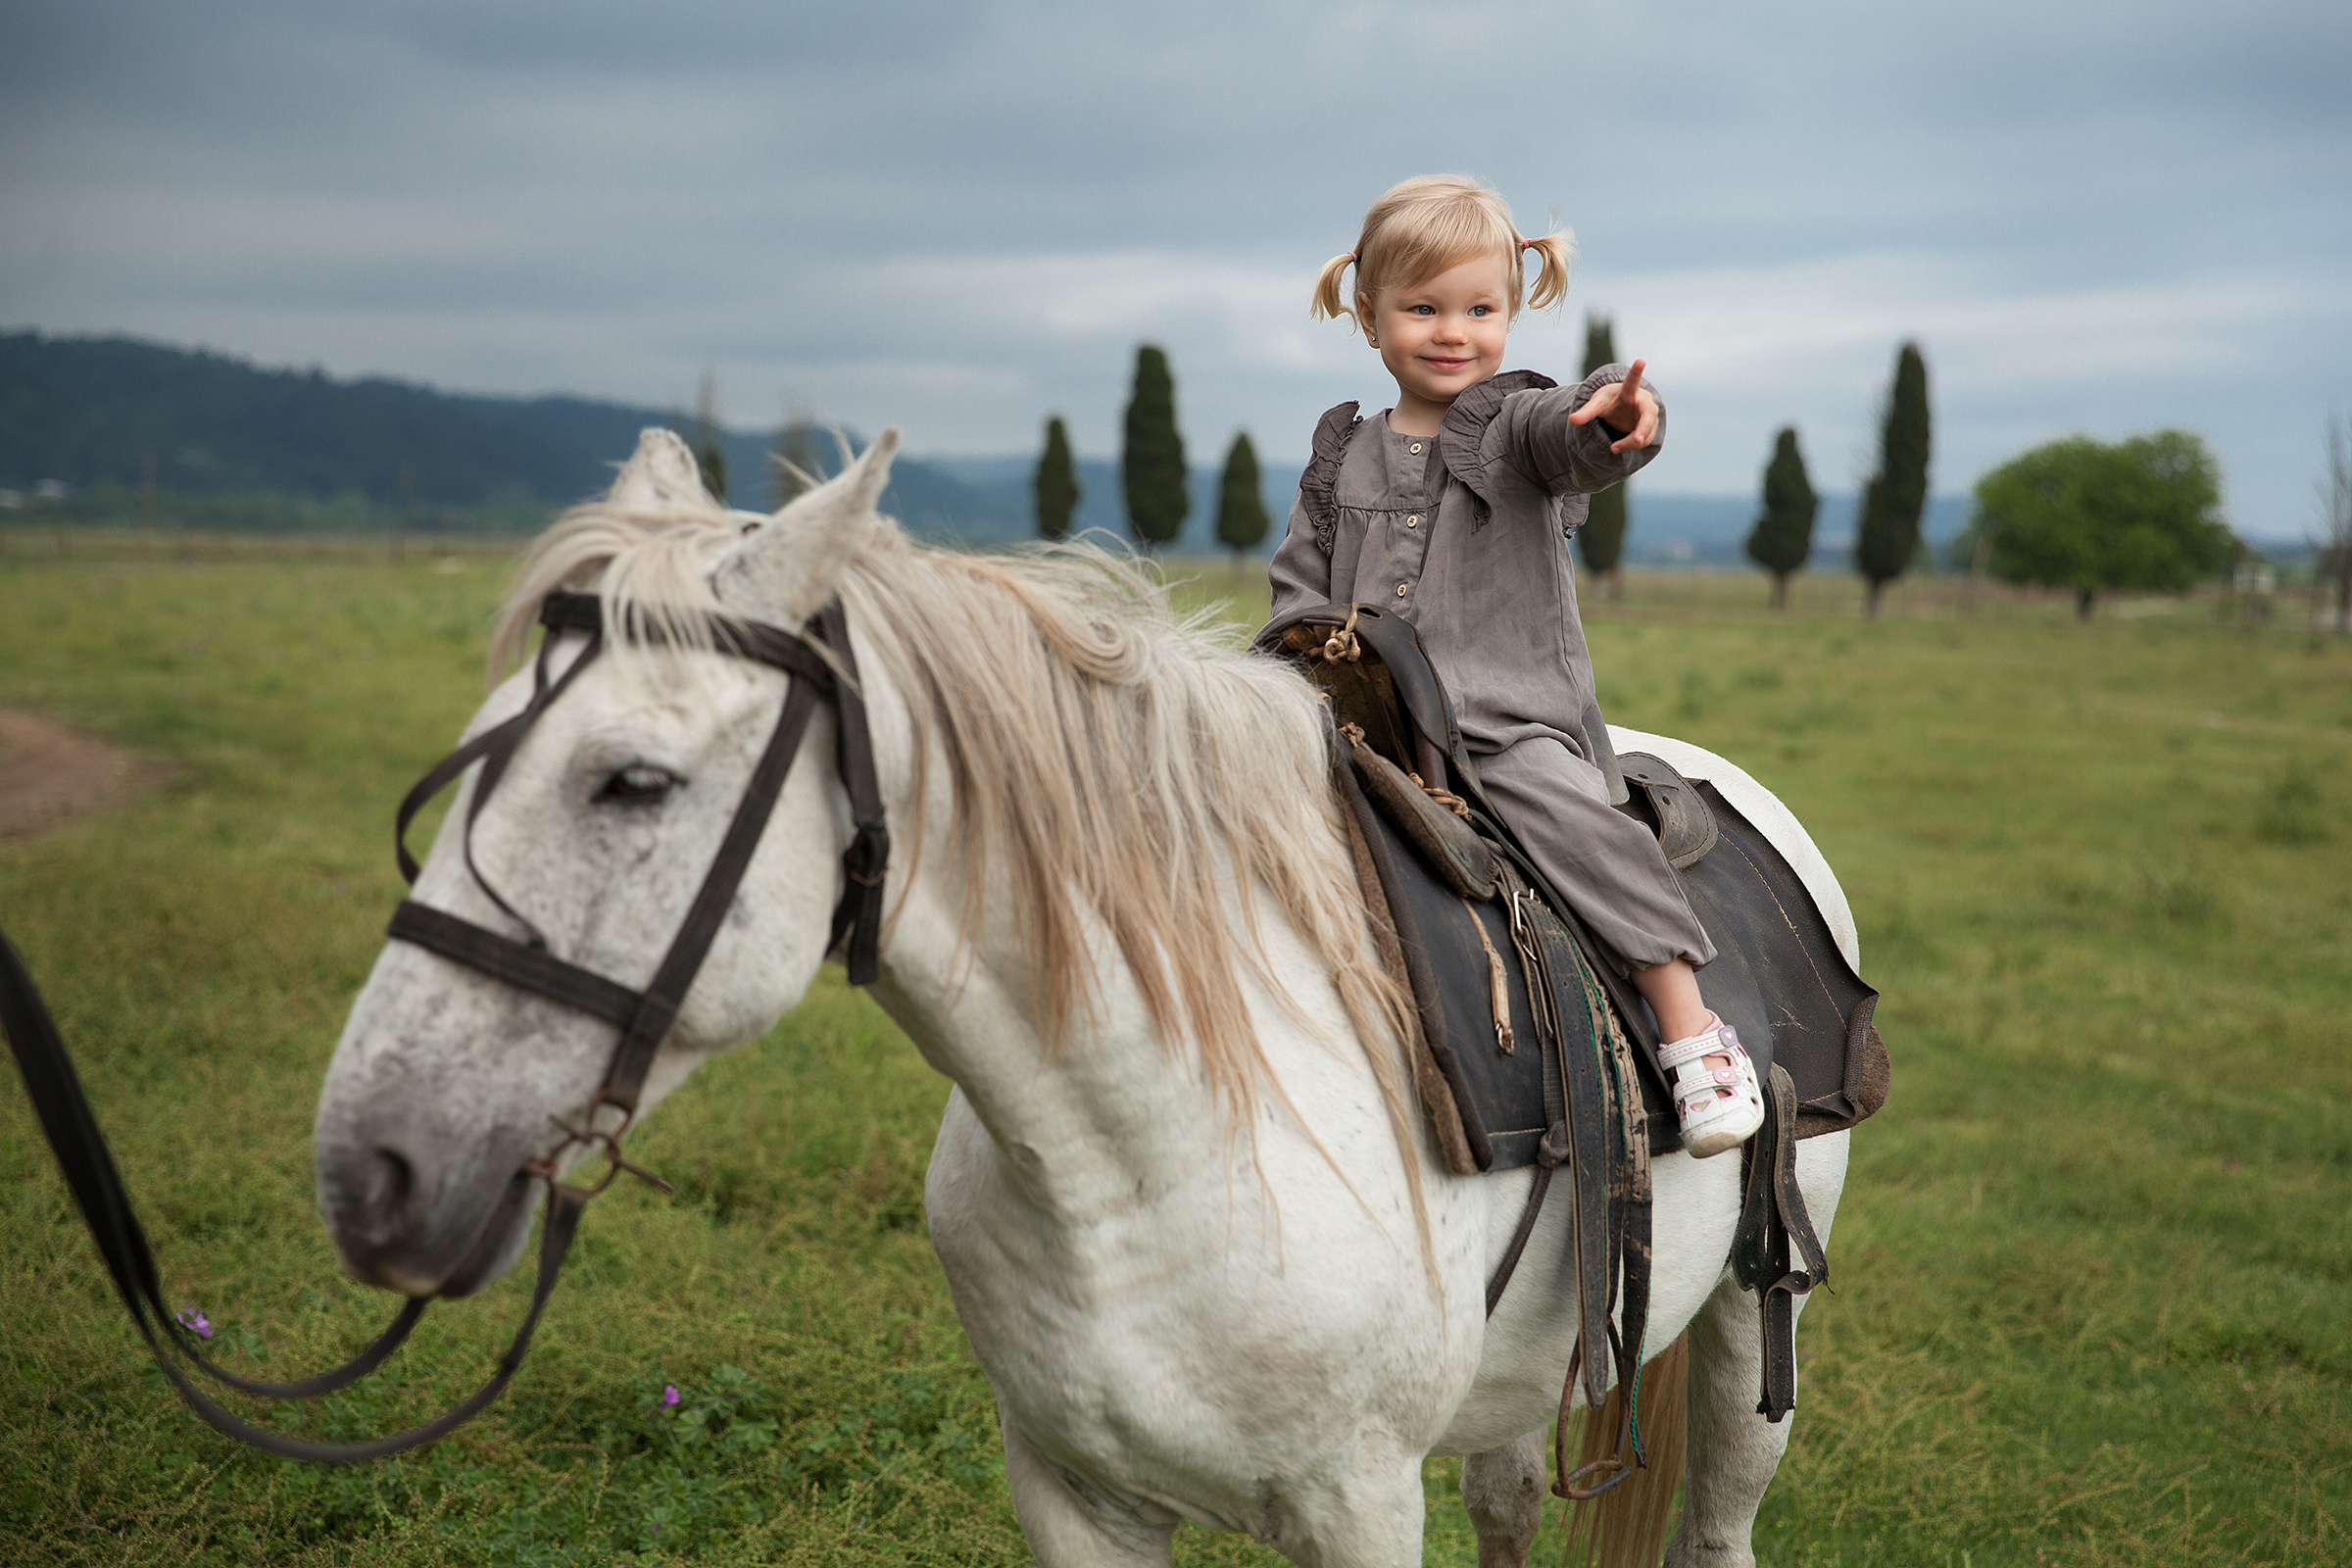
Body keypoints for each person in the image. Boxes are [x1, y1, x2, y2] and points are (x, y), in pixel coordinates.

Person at [1266, 173, 1762, 1158]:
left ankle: (1687, 1025)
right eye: (1422, 308)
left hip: (1502, 721)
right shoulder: (1339, 457)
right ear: (1367, 313)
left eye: (1479, 309)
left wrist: (1621, 417)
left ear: (1513, 310)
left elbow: (1575, 437)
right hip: (1360, 723)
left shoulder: (1516, 429)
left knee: (1568, 814)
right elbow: (1297, 592)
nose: (1453, 331)